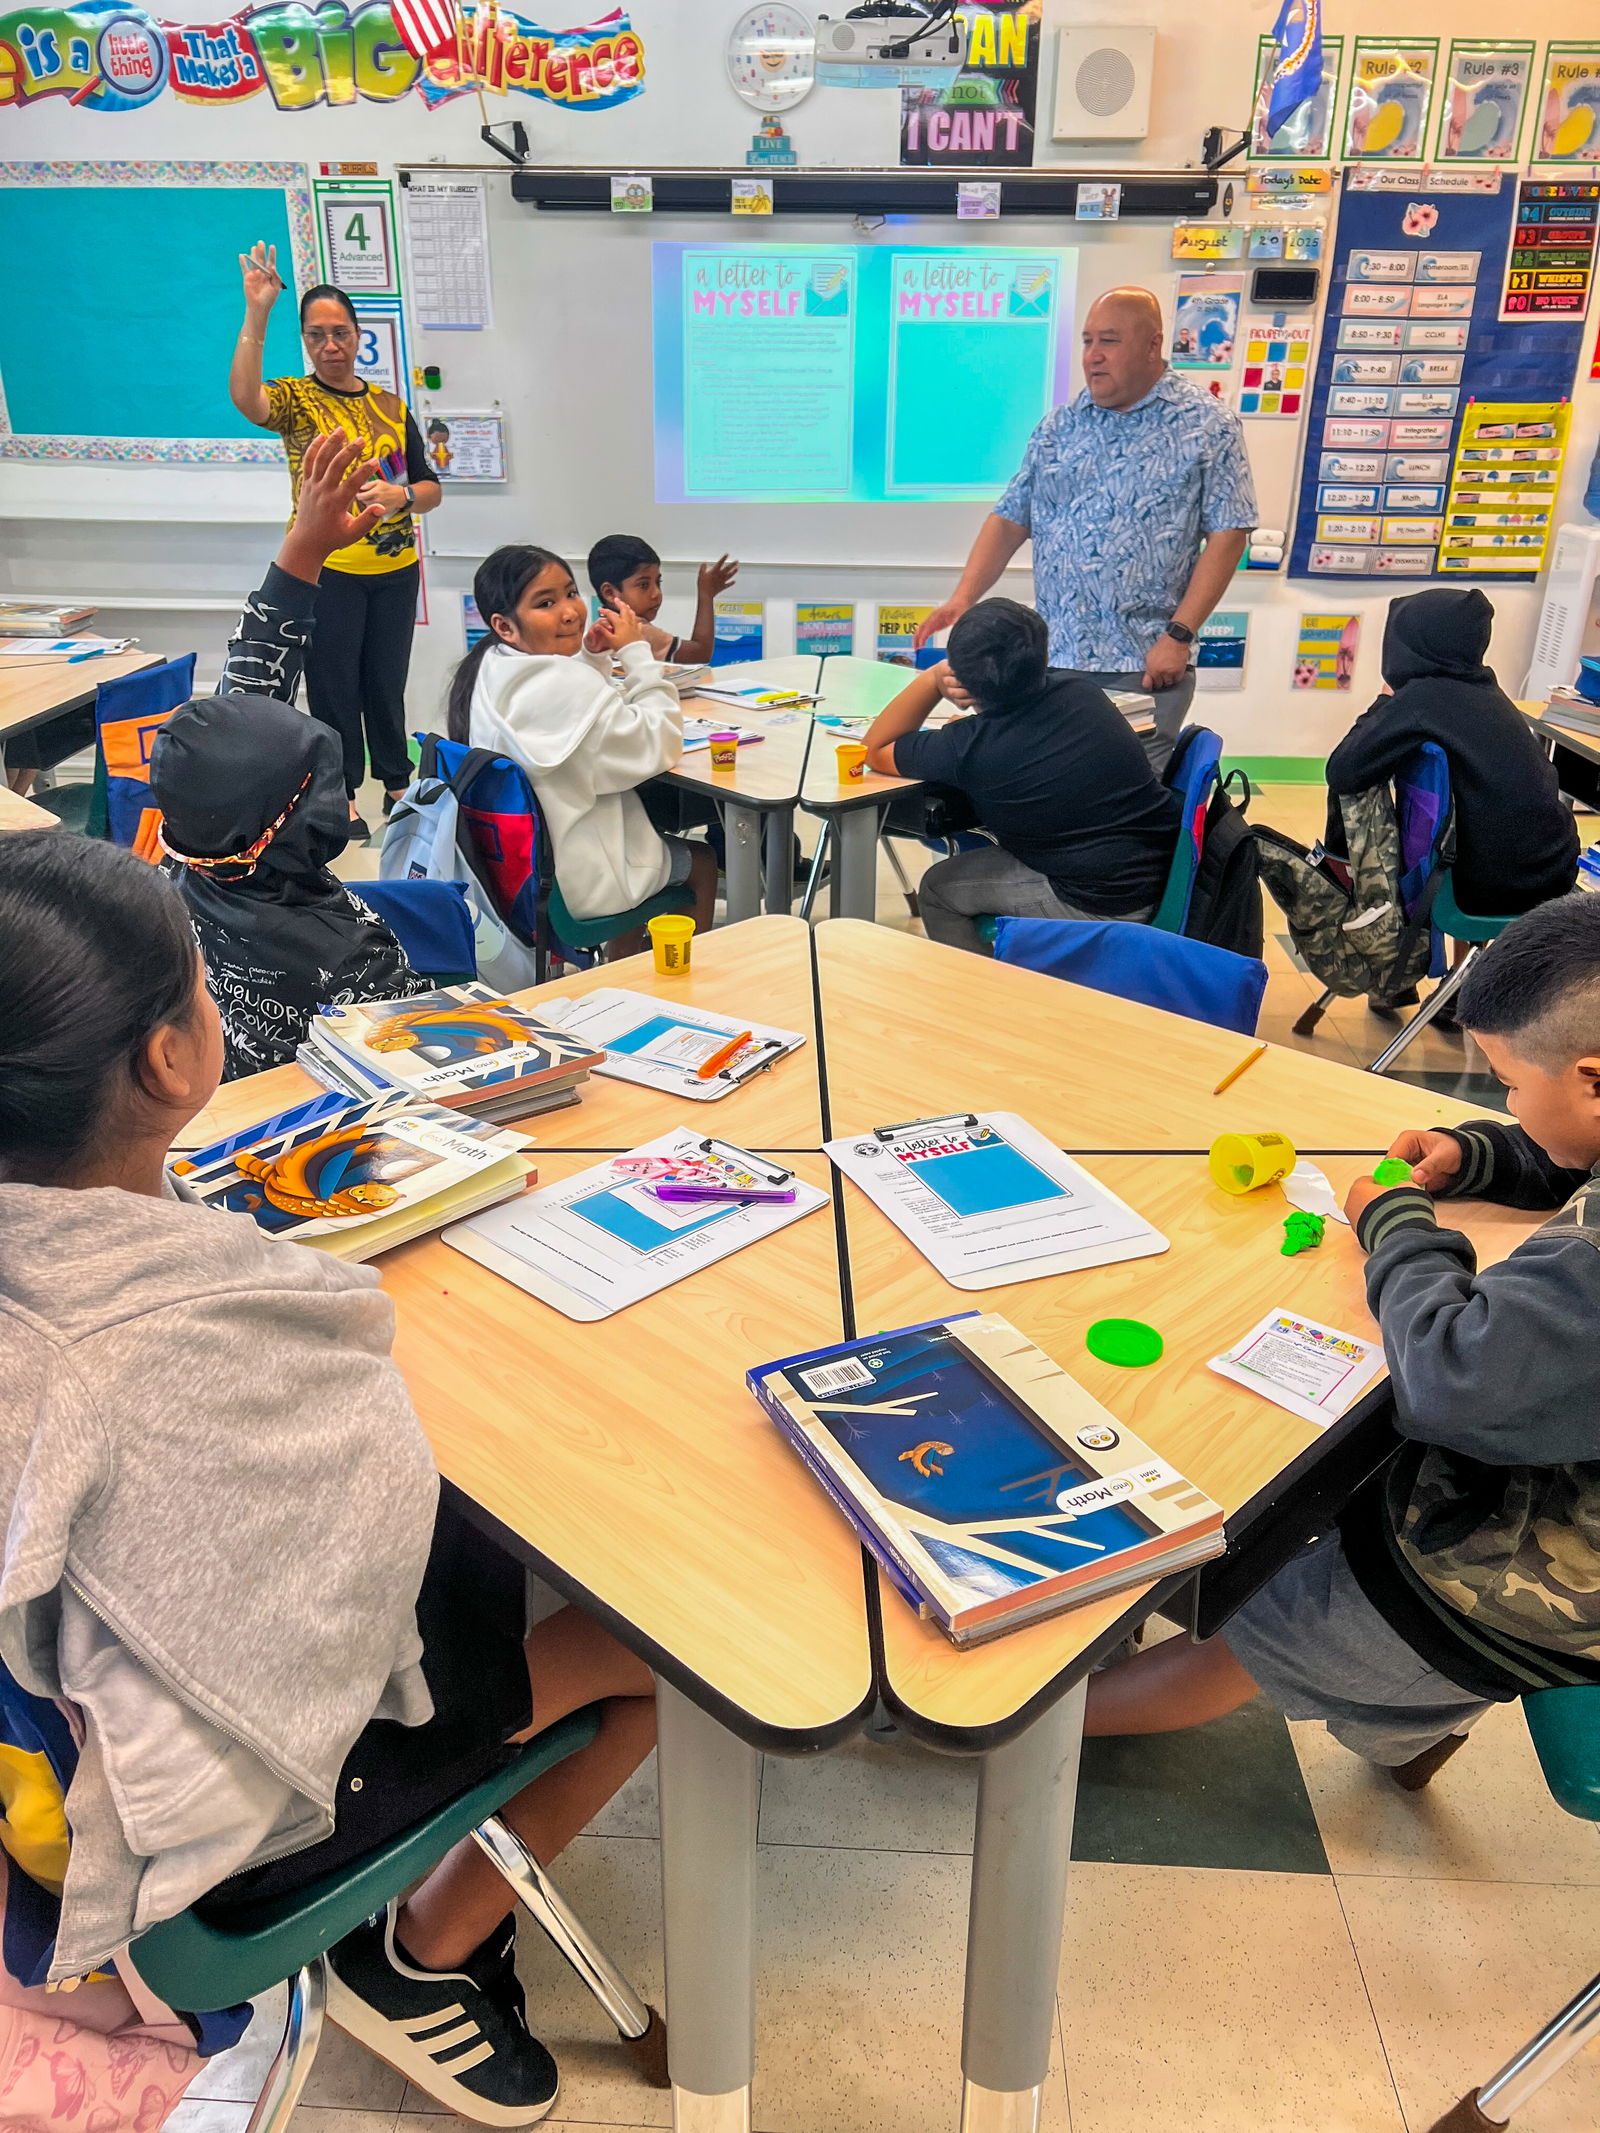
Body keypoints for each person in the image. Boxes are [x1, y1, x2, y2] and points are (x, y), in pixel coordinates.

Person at [0, 829, 657, 2125]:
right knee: (653, 1643)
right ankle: (427, 1951)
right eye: (195, 971)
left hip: (53, 1786)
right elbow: (364, 1582)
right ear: (171, 1056)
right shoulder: (188, 1358)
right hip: (184, 1872)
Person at [1083, 891, 1600, 1786]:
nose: (1507, 1102)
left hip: (1555, 1575)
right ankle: (1403, 1709)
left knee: (1271, 1623)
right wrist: (1483, 1153)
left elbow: (1455, 1378)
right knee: (1326, 1465)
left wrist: (1396, 1223)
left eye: (1511, 1086)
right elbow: (1570, 1156)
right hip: (1548, 1458)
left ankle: (1033, 1725)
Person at [151, 432, 423, 1079]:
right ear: (298, 828)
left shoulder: (188, 862)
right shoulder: (356, 959)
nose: (344, 800)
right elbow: (437, 1069)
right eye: (326, 787)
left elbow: (240, 705)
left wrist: (306, 544)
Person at [915, 287, 1257, 766]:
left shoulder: (1207, 425)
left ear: (1152, 345)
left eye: (1110, 342)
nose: (1093, 357)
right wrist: (962, 598)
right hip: (1049, 662)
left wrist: (1179, 635)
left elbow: (1229, 535)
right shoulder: (1061, 426)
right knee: (1041, 795)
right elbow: (1012, 518)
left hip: (1142, 665)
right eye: (1087, 341)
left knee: (1118, 808)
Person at [229, 241, 442, 836]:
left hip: (396, 571)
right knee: (332, 687)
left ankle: (398, 780)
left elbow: (428, 487)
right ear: (305, 340)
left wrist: (403, 496)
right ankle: (342, 790)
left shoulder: (389, 406)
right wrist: (257, 311)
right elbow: (247, 400)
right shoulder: (297, 401)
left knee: (385, 682)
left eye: (341, 332)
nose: (331, 345)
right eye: (318, 334)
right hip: (329, 571)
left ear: (357, 335)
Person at [863, 598, 1180, 955]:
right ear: (1044, 658)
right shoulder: (1081, 693)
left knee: (937, 890)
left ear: (962, 677)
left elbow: (874, 749)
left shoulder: (969, 747)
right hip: (1163, 869)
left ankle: (986, 997)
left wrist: (934, 679)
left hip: (1103, 902)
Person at [448, 544, 717, 952]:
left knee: (650, 830)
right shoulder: (558, 684)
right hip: (579, 878)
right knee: (703, 862)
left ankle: (623, 965)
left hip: (517, 872)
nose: (570, 611)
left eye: (571, 593)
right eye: (546, 603)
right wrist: (635, 652)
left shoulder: (492, 666)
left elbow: (582, 726)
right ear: (505, 625)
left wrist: (591, 656)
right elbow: (661, 742)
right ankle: (678, 984)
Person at [1322, 587, 1579, 919]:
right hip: (1554, 872)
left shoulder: (1423, 698)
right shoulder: (1487, 691)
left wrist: (1385, 699)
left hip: (1485, 889)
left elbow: (1343, 771)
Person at [587, 533, 740, 667]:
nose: (656, 594)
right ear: (609, 592)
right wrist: (706, 595)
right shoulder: (638, 630)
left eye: (658, 582)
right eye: (644, 585)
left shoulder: (600, 626)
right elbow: (700, 654)